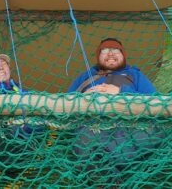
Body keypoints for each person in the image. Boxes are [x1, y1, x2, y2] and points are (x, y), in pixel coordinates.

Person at [68, 38, 163, 182]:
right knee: (84, 138)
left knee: (152, 133)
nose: (111, 53)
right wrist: (82, 98)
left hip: (131, 127)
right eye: (105, 50)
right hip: (94, 128)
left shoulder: (135, 75)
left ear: (123, 55)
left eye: (116, 50)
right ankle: (110, 177)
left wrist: (121, 91)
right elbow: (66, 103)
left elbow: (155, 103)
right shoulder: (85, 77)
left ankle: (105, 168)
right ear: (98, 56)